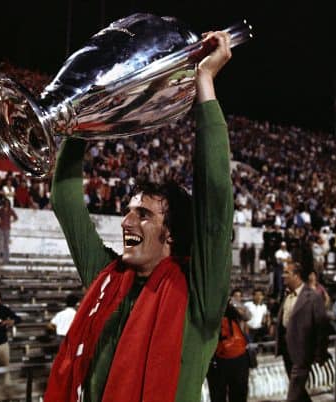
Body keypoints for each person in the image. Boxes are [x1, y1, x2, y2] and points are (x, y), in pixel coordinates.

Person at [45, 32, 234, 402]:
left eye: (144, 214)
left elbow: (215, 198)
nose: (127, 222)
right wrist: (84, 117)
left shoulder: (200, 295)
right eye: (129, 211)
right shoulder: (109, 281)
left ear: (171, 235)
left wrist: (205, 82)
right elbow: (65, 200)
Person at [275, 262, 330, 402]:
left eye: (287, 272)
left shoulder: (313, 297)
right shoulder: (287, 295)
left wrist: (320, 352)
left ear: (296, 275)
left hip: (304, 353)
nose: (283, 275)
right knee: (299, 392)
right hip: (286, 350)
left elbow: (322, 327)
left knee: (293, 394)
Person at [207, 300, 251, 402]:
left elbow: (248, 316)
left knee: (239, 394)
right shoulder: (207, 305)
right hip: (216, 358)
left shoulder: (231, 304)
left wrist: (232, 304)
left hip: (239, 356)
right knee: (218, 395)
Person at [0, 198, 18, 266]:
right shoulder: (1, 210)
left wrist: (11, 221)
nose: (6, 204)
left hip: (7, 228)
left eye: (7, 203)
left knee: (6, 244)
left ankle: (6, 259)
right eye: (5, 203)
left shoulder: (10, 210)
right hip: (0, 228)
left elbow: (16, 218)